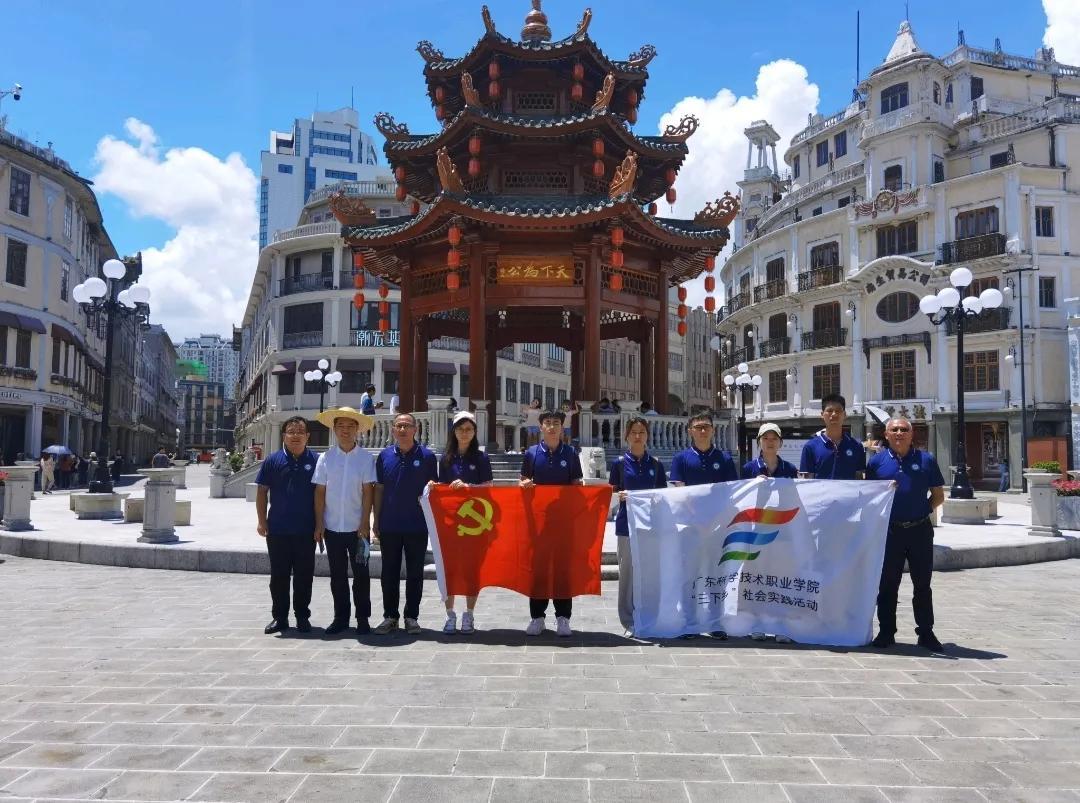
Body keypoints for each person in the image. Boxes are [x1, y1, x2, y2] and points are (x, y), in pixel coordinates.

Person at [866, 417, 946, 653]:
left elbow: (938, 496)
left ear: (912, 435)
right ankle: (886, 631)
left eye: (904, 429)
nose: (899, 433)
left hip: (920, 531)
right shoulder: (876, 462)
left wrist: (920, 511)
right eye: (894, 430)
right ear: (886, 434)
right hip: (890, 532)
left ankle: (926, 632)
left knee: (922, 584)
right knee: (887, 584)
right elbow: (870, 497)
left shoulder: (926, 460)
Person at [669, 412, 739, 639]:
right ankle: (689, 623)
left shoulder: (724, 458)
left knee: (716, 576)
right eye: (698, 427)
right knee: (689, 576)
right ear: (690, 431)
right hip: (690, 527)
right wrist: (698, 518)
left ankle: (715, 622)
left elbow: (730, 492)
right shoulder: (681, 459)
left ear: (713, 430)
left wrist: (714, 520)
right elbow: (680, 491)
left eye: (706, 426)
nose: (702, 430)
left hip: (717, 528)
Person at [313, 406, 378, 636]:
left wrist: (365, 522)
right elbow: (320, 492)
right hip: (332, 527)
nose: (345, 430)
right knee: (337, 575)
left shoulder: (365, 458)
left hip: (358, 529)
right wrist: (319, 523)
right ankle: (340, 617)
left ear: (357, 429)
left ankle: (362, 618)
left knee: (361, 575)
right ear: (334, 429)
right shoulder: (325, 458)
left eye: (350, 426)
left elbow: (368, 492)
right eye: (341, 426)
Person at [519, 408, 584, 637]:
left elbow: (576, 483)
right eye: (548, 422)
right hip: (539, 522)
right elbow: (523, 481)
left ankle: (563, 617)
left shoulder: (571, 454)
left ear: (562, 427)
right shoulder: (532, 453)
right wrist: (524, 484)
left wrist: (580, 489)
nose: (552, 426)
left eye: (556, 422)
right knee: (539, 570)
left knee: (562, 570)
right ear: (541, 427)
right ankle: (537, 617)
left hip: (564, 522)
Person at [373, 412, 439, 635]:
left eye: (407, 426)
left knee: (415, 573)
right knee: (389, 573)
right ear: (393, 430)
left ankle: (412, 616)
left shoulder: (427, 457)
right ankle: (390, 616)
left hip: (417, 525)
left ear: (415, 429)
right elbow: (379, 489)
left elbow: (434, 489)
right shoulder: (384, 456)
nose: (402, 430)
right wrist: (376, 519)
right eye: (399, 426)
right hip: (389, 524)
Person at [255, 417, 319, 635]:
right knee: (279, 576)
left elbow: (322, 495)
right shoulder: (272, 460)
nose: (296, 435)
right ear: (284, 435)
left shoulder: (316, 460)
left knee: (304, 576)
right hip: (278, 529)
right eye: (291, 431)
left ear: (307, 436)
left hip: (306, 530)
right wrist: (262, 521)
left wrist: (320, 525)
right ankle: (280, 617)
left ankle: (302, 616)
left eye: (300, 431)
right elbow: (262, 491)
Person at [432, 411, 493, 634]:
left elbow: (489, 488)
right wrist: (435, 487)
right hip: (451, 522)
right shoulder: (446, 459)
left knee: (471, 570)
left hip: (475, 524)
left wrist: (468, 488)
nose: (464, 433)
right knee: (450, 568)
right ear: (454, 432)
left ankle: (469, 614)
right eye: (460, 429)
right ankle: (450, 614)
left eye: (468, 429)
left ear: (475, 432)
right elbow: (442, 488)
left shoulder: (481, 458)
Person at [609, 416, 667, 635]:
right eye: (633, 432)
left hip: (650, 526)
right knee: (628, 574)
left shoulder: (656, 465)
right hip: (626, 525)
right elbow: (610, 496)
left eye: (642, 432)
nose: (637, 436)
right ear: (626, 436)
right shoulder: (619, 464)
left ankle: (649, 616)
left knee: (649, 573)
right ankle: (628, 620)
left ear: (647, 436)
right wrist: (619, 496)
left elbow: (663, 496)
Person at [742, 423, 799, 643]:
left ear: (780, 442)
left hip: (782, 531)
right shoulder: (749, 468)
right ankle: (757, 623)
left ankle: (781, 624)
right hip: (757, 531)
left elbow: (796, 498)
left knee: (781, 578)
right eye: (765, 438)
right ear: (759, 442)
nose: (770, 442)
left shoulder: (790, 469)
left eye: (774, 438)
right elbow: (740, 498)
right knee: (758, 577)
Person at [799, 394, 866, 480]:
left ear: (844, 414)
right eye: (829, 410)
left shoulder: (856, 446)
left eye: (838, 410)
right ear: (822, 414)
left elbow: (859, 480)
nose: (834, 414)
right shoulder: (810, 447)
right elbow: (807, 482)